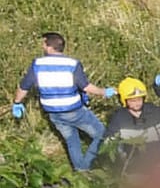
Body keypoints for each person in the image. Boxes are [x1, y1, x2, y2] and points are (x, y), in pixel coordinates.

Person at [12, 31, 114, 170]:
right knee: (101, 135)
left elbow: (24, 86)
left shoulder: (37, 64)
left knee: (72, 141)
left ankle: (81, 171)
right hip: (74, 110)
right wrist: (104, 92)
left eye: (43, 43)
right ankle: (88, 164)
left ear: (49, 46)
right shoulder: (72, 64)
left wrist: (17, 103)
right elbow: (85, 86)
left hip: (53, 113)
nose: (42, 46)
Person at [102, 77, 160, 172]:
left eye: (139, 99)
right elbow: (109, 143)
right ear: (124, 100)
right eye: (132, 100)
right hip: (135, 165)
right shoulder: (119, 119)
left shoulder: (156, 112)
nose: (137, 103)